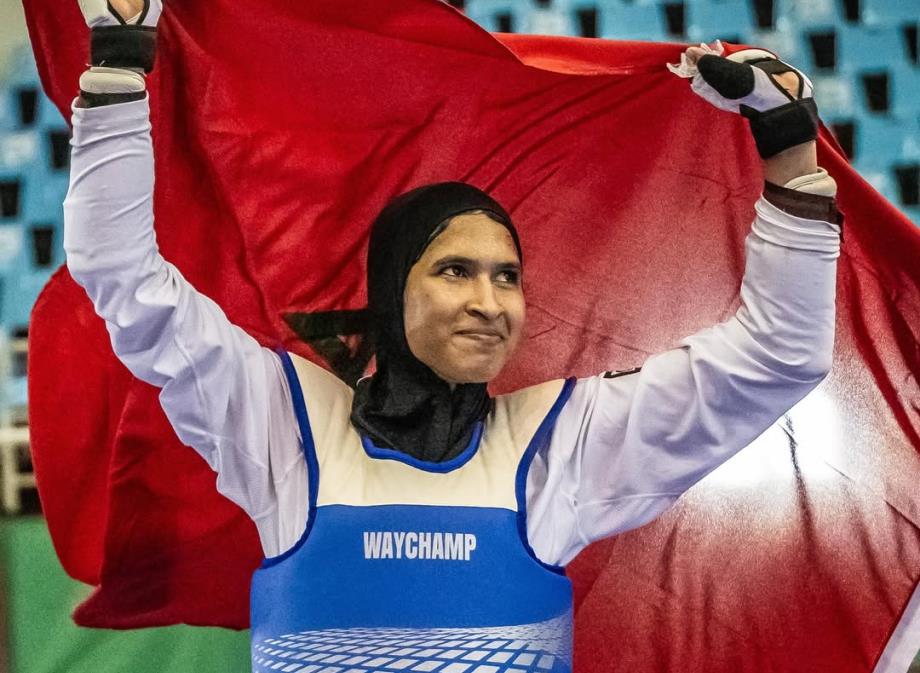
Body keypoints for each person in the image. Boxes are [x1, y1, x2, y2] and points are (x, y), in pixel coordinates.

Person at [65, 0, 842, 671]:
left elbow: (780, 356)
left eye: (508, 277)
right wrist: (120, 65)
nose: (488, 302)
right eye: (455, 271)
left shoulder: (559, 444)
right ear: (392, 287)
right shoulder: (285, 426)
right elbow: (122, 273)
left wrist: (791, 154)